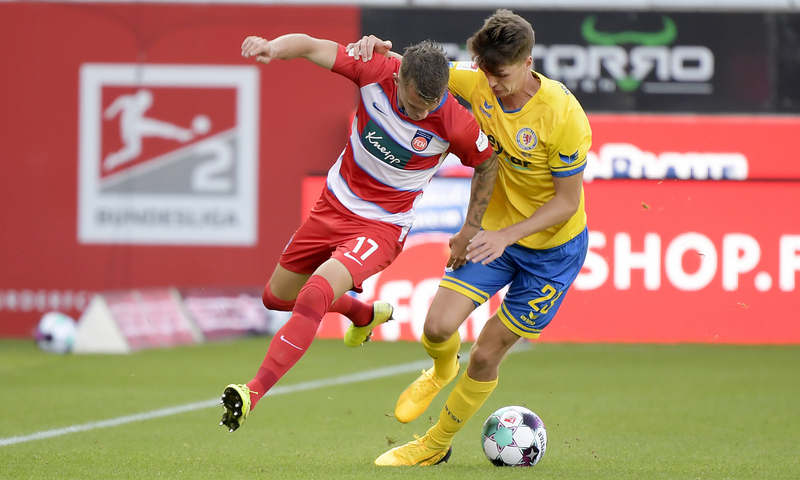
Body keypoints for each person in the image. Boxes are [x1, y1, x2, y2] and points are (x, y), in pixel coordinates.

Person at [219, 33, 498, 434]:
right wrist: (273, 48)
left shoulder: (455, 122)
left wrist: (470, 227)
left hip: (382, 226)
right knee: (276, 298)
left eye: (429, 106)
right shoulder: (374, 68)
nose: (420, 114)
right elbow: (310, 45)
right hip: (332, 205)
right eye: (413, 105)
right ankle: (362, 314)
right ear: (398, 78)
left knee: (315, 293)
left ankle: (252, 391)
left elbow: (488, 164)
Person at [348, 8, 592, 466]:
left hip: (551, 253)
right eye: (484, 71)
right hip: (496, 236)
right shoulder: (476, 80)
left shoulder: (563, 115)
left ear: (528, 62)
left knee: (484, 355)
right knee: (437, 328)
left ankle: (433, 445)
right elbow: (413, 68)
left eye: (501, 74)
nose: (491, 83)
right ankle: (442, 369)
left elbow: (566, 202)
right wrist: (375, 50)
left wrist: (503, 236)